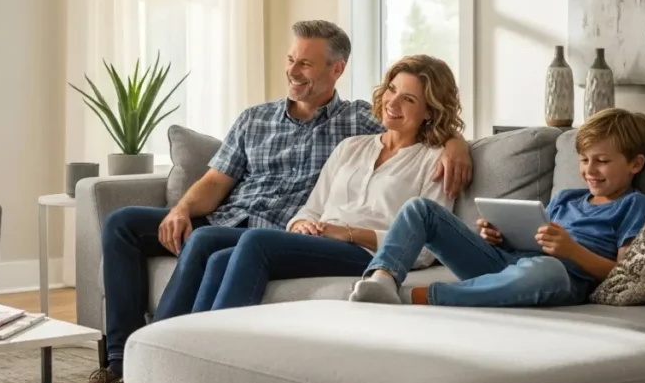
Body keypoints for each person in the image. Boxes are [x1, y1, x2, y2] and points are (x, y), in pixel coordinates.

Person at [56, 21, 474, 383]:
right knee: (135, 226)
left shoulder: (382, 134)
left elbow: (423, 239)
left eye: (306, 64)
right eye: (291, 60)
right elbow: (245, 189)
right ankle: (131, 367)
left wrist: (454, 141)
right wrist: (185, 208)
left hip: (343, 246)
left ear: (337, 69)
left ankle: (168, 362)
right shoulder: (350, 143)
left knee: (231, 242)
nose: (294, 71)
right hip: (269, 228)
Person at [186, 55, 463, 313]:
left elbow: (426, 250)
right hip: (319, 240)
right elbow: (310, 209)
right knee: (217, 255)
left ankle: (217, 344)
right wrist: (301, 225)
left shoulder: (437, 161)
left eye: (409, 99)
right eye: (391, 89)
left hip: (368, 253)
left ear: (430, 111)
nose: (392, 102)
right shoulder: (351, 147)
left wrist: (347, 233)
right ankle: (174, 342)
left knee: (256, 241)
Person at [349, 107, 645, 308]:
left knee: (544, 267)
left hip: (560, 277)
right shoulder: (567, 199)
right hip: (509, 262)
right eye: (585, 160)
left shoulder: (633, 205)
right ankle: (383, 280)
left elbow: (625, 273)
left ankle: (416, 296)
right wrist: (500, 236)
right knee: (421, 209)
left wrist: (571, 251)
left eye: (602, 162)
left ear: (635, 164)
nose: (590, 170)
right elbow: (534, 239)